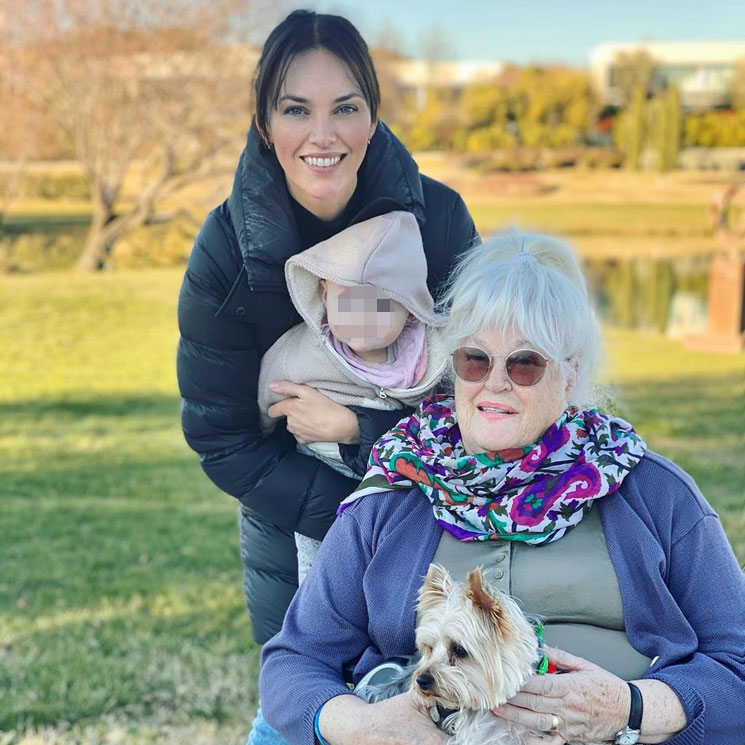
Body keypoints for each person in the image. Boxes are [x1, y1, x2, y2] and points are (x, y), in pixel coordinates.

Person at [260, 230, 745, 745]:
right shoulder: (394, 492)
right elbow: (295, 662)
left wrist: (633, 707)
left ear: (569, 372)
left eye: (525, 363)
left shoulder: (652, 492)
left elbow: (737, 662)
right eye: (476, 359)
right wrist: (364, 725)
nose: (496, 382)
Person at [176, 10, 477, 644]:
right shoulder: (226, 248)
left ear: (373, 116)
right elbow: (221, 438)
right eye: (295, 110)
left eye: (344, 108)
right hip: (288, 517)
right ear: (264, 122)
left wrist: (357, 430)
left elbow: (480, 397)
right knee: (302, 702)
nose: (322, 134)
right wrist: (347, 523)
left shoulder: (440, 221)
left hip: (433, 511)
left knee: (432, 703)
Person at [257, 210, 448, 584]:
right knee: (321, 569)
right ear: (324, 293)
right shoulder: (302, 352)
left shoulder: (431, 358)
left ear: (409, 307)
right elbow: (267, 390)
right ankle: (316, 625)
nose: (363, 317)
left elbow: (450, 419)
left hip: (402, 486)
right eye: (349, 301)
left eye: (380, 304)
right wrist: (266, 426)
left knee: (402, 571)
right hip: (320, 476)